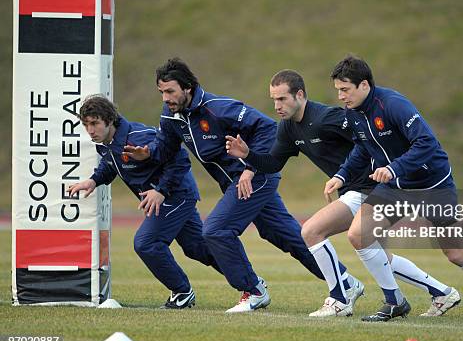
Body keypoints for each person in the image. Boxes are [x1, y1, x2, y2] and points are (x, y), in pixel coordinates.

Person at [123, 58, 358, 313]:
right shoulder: (171, 117)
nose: (165, 98)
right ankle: (344, 282)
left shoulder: (218, 108)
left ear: (187, 88)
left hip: (256, 176)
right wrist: (148, 154)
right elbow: (165, 149)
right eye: (161, 92)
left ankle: (254, 290)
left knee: (215, 230)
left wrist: (250, 168)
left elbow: (268, 129)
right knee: (287, 236)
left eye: (170, 91)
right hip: (236, 183)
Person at [225, 69, 460, 317]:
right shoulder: (287, 129)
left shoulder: (330, 117)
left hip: (371, 188)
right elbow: (273, 164)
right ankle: (441, 292)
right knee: (380, 257)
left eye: (282, 99)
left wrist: (384, 169)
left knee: (312, 231)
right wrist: (248, 156)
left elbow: (369, 139)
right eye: (273, 99)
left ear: (300, 95)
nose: (277, 105)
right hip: (353, 190)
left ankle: (341, 297)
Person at [324, 55, 463, 322]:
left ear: (364, 85)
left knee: (455, 252)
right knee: (359, 234)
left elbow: (426, 144)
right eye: (338, 91)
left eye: (345, 90)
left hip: (432, 184)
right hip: (397, 187)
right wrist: (341, 175)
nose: (341, 96)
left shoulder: (393, 105)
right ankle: (394, 301)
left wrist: (392, 168)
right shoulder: (353, 114)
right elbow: (363, 148)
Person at [68, 95, 220, 309]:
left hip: (175, 194)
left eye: (95, 123)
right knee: (197, 248)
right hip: (169, 197)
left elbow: (180, 159)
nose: (90, 130)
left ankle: (182, 292)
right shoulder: (105, 143)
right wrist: (94, 181)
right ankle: (250, 282)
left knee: (146, 243)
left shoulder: (139, 138)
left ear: (110, 120)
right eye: (86, 125)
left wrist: (161, 191)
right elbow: (110, 164)